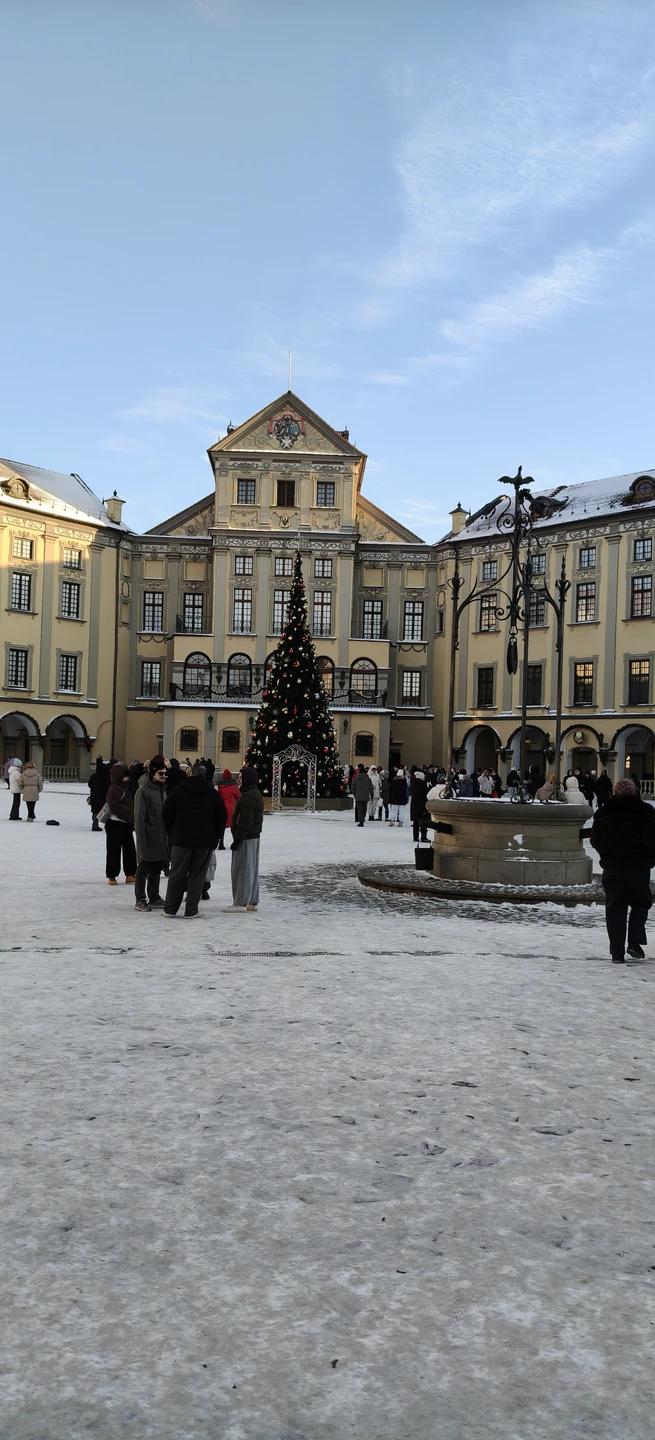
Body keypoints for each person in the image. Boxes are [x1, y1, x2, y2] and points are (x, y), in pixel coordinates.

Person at [589, 777, 655, 962]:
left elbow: (594, 840)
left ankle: (616, 953)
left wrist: (606, 852)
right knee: (641, 903)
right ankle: (634, 941)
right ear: (634, 792)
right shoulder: (646, 812)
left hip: (613, 868)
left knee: (615, 907)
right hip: (639, 868)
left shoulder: (604, 812)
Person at [163, 761, 225, 918]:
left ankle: (170, 909)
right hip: (204, 841)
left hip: (180, 840)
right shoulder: (213, 794)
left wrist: (171, 832)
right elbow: (222, 818)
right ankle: (191, 910)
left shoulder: (178, 791)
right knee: (197, 876)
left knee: (176, 874)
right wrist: (215, 837)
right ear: (206, 776)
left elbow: (166, 813)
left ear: (191, 774)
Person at [224, 765, 264, 913]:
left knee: (242, 869)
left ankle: (240, 902)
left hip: (246, 838)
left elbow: (246, 821)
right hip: (252, 837)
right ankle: (252, 900)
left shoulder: (248, 796)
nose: (238, 781)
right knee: (252, 869)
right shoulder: (254, 793)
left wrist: (237, 839)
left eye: (241, 778)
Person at [133, 756, 169, 911]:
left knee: (156, 869)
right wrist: (141, 841)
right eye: (160, 773)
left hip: (161, 838)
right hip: (149, 838)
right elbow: (139, 818)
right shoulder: (144, 791)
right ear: (153, 774)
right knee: (143, 869)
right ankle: (140, 899)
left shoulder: (162, 791)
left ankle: (154, 897)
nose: (163, 776)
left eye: (165, 773)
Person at [105, 764, 137, 885]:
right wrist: (128, 811)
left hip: (126, 824)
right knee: (114, 851)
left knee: (129, 850)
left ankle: (130, 874)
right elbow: (114, 806)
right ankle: (112, 875)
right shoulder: (114, 789)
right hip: (114, 824)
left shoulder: (124, 788)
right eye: (125, 776)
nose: (127, 779)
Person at [217, 768, 240, 849]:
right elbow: (239, 796)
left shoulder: (220, 786)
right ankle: (235, 842)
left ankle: (221, 843)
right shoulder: (233, 786)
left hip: (222, 808)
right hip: (232, 808)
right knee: (234, 826)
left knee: (222, 826)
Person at [88, 757, 110, 831]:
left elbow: (89, 784)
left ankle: (95, 824)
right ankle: (107, 824)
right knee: (104, 811)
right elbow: (108, 786)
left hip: (94, 796)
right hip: (102, 797)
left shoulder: (94, 776)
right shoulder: (105, 777)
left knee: (95, 811)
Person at [410, 769, 429, 841]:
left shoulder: (413, 785)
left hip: (415, 806)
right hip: (422, 805)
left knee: (416, 822)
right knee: (424, 821)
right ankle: (423, 837)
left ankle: (415, 837)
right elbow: (427, 795)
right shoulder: (423, 785)